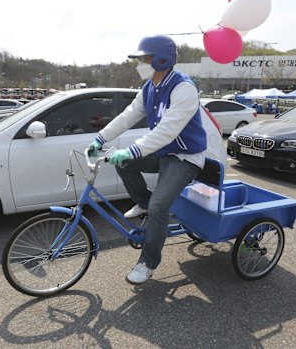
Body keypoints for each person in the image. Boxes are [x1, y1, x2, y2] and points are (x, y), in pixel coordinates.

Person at [88, 34, 208, 285]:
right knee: (121, 162)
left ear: (162, 59)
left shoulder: (183, 88)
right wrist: (101, 138)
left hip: (185, 157)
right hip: (164, 152)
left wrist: (131, 150)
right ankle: (143, 202)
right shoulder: (148, 88)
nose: (139, 64)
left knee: (159, 207)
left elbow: (167, 130)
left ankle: (148, 263)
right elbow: (128, 116)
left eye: (144, 58)